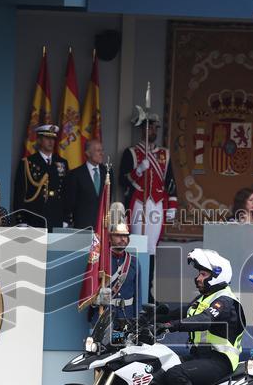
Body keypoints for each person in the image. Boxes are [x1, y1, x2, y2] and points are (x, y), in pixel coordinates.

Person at [159, 249, 246, 385]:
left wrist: (170, 327)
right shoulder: (205, 299)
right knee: (161, 370)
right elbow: (181, 313)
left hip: (220, 361)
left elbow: (204, 319)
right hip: (201, 357)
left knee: (176, 373)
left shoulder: (225, 301)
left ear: (217, 275)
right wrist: (151, 318)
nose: (198, 278)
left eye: (203, 274)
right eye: (199, 274)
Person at [119, 112, 177, 256]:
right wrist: (138, 171)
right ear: (142, 130)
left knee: (152, 246)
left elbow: (170, 182)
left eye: (155, 128)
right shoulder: (131, 152)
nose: (153, 131)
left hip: (157, 203)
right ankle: (135, 277)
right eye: (149, 128)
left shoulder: (164, 154)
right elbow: (122, 180)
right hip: (138, 201)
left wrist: (172, 206)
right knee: (137, 243)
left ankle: (149, 278)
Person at [12, 124, 67, 230]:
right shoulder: (28, 162)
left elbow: (66, 192)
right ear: (39, 140)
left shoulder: (62, 163)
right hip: (34, 216)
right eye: (47, 138)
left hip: (56, 216)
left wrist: (66, 218)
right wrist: (21, 219)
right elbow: (19, 192)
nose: (51, 142)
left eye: (53, 139)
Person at [65, 138, 109, 229]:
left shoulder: (107, 172)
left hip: (102, 225)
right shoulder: (75, 174)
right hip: (82, 226)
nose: (102, 153)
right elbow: (70, 201)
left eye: (102, 150)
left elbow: (108, 197)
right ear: (88, 153)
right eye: (98, 150)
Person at [108, 219, 139, 322]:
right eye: (118, 235)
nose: (122, 239)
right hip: (105, 314)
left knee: (120, 338)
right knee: (102, 339)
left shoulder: (133, 262)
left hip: (125, 316)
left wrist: (136, 318)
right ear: (110, 238)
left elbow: (138, 294)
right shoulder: (102, 260)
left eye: (125, 236)